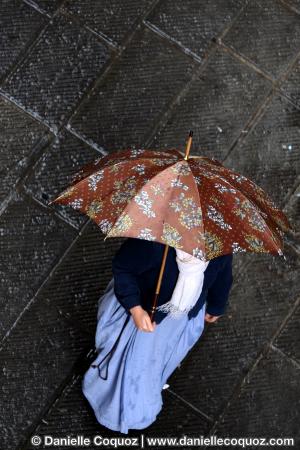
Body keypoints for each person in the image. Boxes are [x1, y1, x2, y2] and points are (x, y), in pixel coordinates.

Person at [82, 237, 233, 434]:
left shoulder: (220, 246)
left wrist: (216, 305)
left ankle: (141, 392)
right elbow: (123, 267)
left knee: (154, 360)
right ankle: (114, 404)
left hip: (178, 317)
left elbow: (223, 276)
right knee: (129, 362)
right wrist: (135, 309)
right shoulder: (154, 243)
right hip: (143, 311)